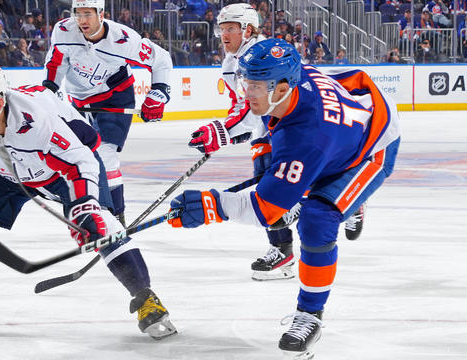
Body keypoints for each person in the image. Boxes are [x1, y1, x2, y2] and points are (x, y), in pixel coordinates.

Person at [0, 60, 177, 340]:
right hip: (8, 172)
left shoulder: (34, 120)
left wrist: (84, 209)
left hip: (64, 169)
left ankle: (146, 299)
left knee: (103, 226)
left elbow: (81, 162)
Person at [167, 38, 401, 359]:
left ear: (281, 88)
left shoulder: (307, 137)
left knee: (318, 218)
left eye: (256, 86)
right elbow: (257, 111)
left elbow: (263, 210)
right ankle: (336, 198)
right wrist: (226, 129)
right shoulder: (287, 82)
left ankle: (310, 315)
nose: (247, 92)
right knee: (277, 169)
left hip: (370, 146)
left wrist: (213, 205)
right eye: (245, 83)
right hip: (341, 128)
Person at [187, 4, 297, 281]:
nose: (224, 35)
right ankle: (282, 250)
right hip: (265, 128)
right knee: (266, 184)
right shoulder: (230, 63)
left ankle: (343, 201)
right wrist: (225, 132)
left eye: (230, 28)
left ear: (247, 29)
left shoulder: (261, 54)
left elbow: (252, 105)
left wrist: (221, 131)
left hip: (291, 125)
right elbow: (241, 106)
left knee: (287, 187)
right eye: (222, 29)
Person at [43, 0, 173, 226]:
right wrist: (49, 90)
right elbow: (56, 63)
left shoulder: (123, 39)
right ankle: (92, 208)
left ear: (101, 14)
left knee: (105, 155)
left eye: (88, 14)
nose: (82, 20)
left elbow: (161, 59)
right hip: (78, 101)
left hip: (115, 97)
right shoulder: (64, 30)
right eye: (78, 14)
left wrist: (159, 93)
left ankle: (115, 218)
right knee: (78, 156)